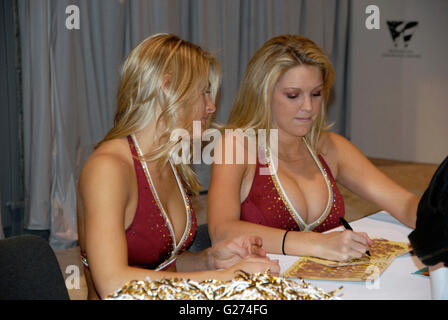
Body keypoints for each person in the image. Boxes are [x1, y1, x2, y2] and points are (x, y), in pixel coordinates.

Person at [76, 34, 279, 300]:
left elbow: (157, 267)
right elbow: (113, 285)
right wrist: (227, 277)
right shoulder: (108, 170)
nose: (211, 106)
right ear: (167, 88)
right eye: (204, 92)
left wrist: (209, 260)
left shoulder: (168, 161)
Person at [208, 34, 420, 262]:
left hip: (330, 283)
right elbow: (221, 232)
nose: (308, 107)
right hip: (266, 283)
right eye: (293, 95)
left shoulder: (330, 147)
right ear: (262, 94)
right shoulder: (236, 146)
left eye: (316, 94)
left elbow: (405, 203)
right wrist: (315, 243)